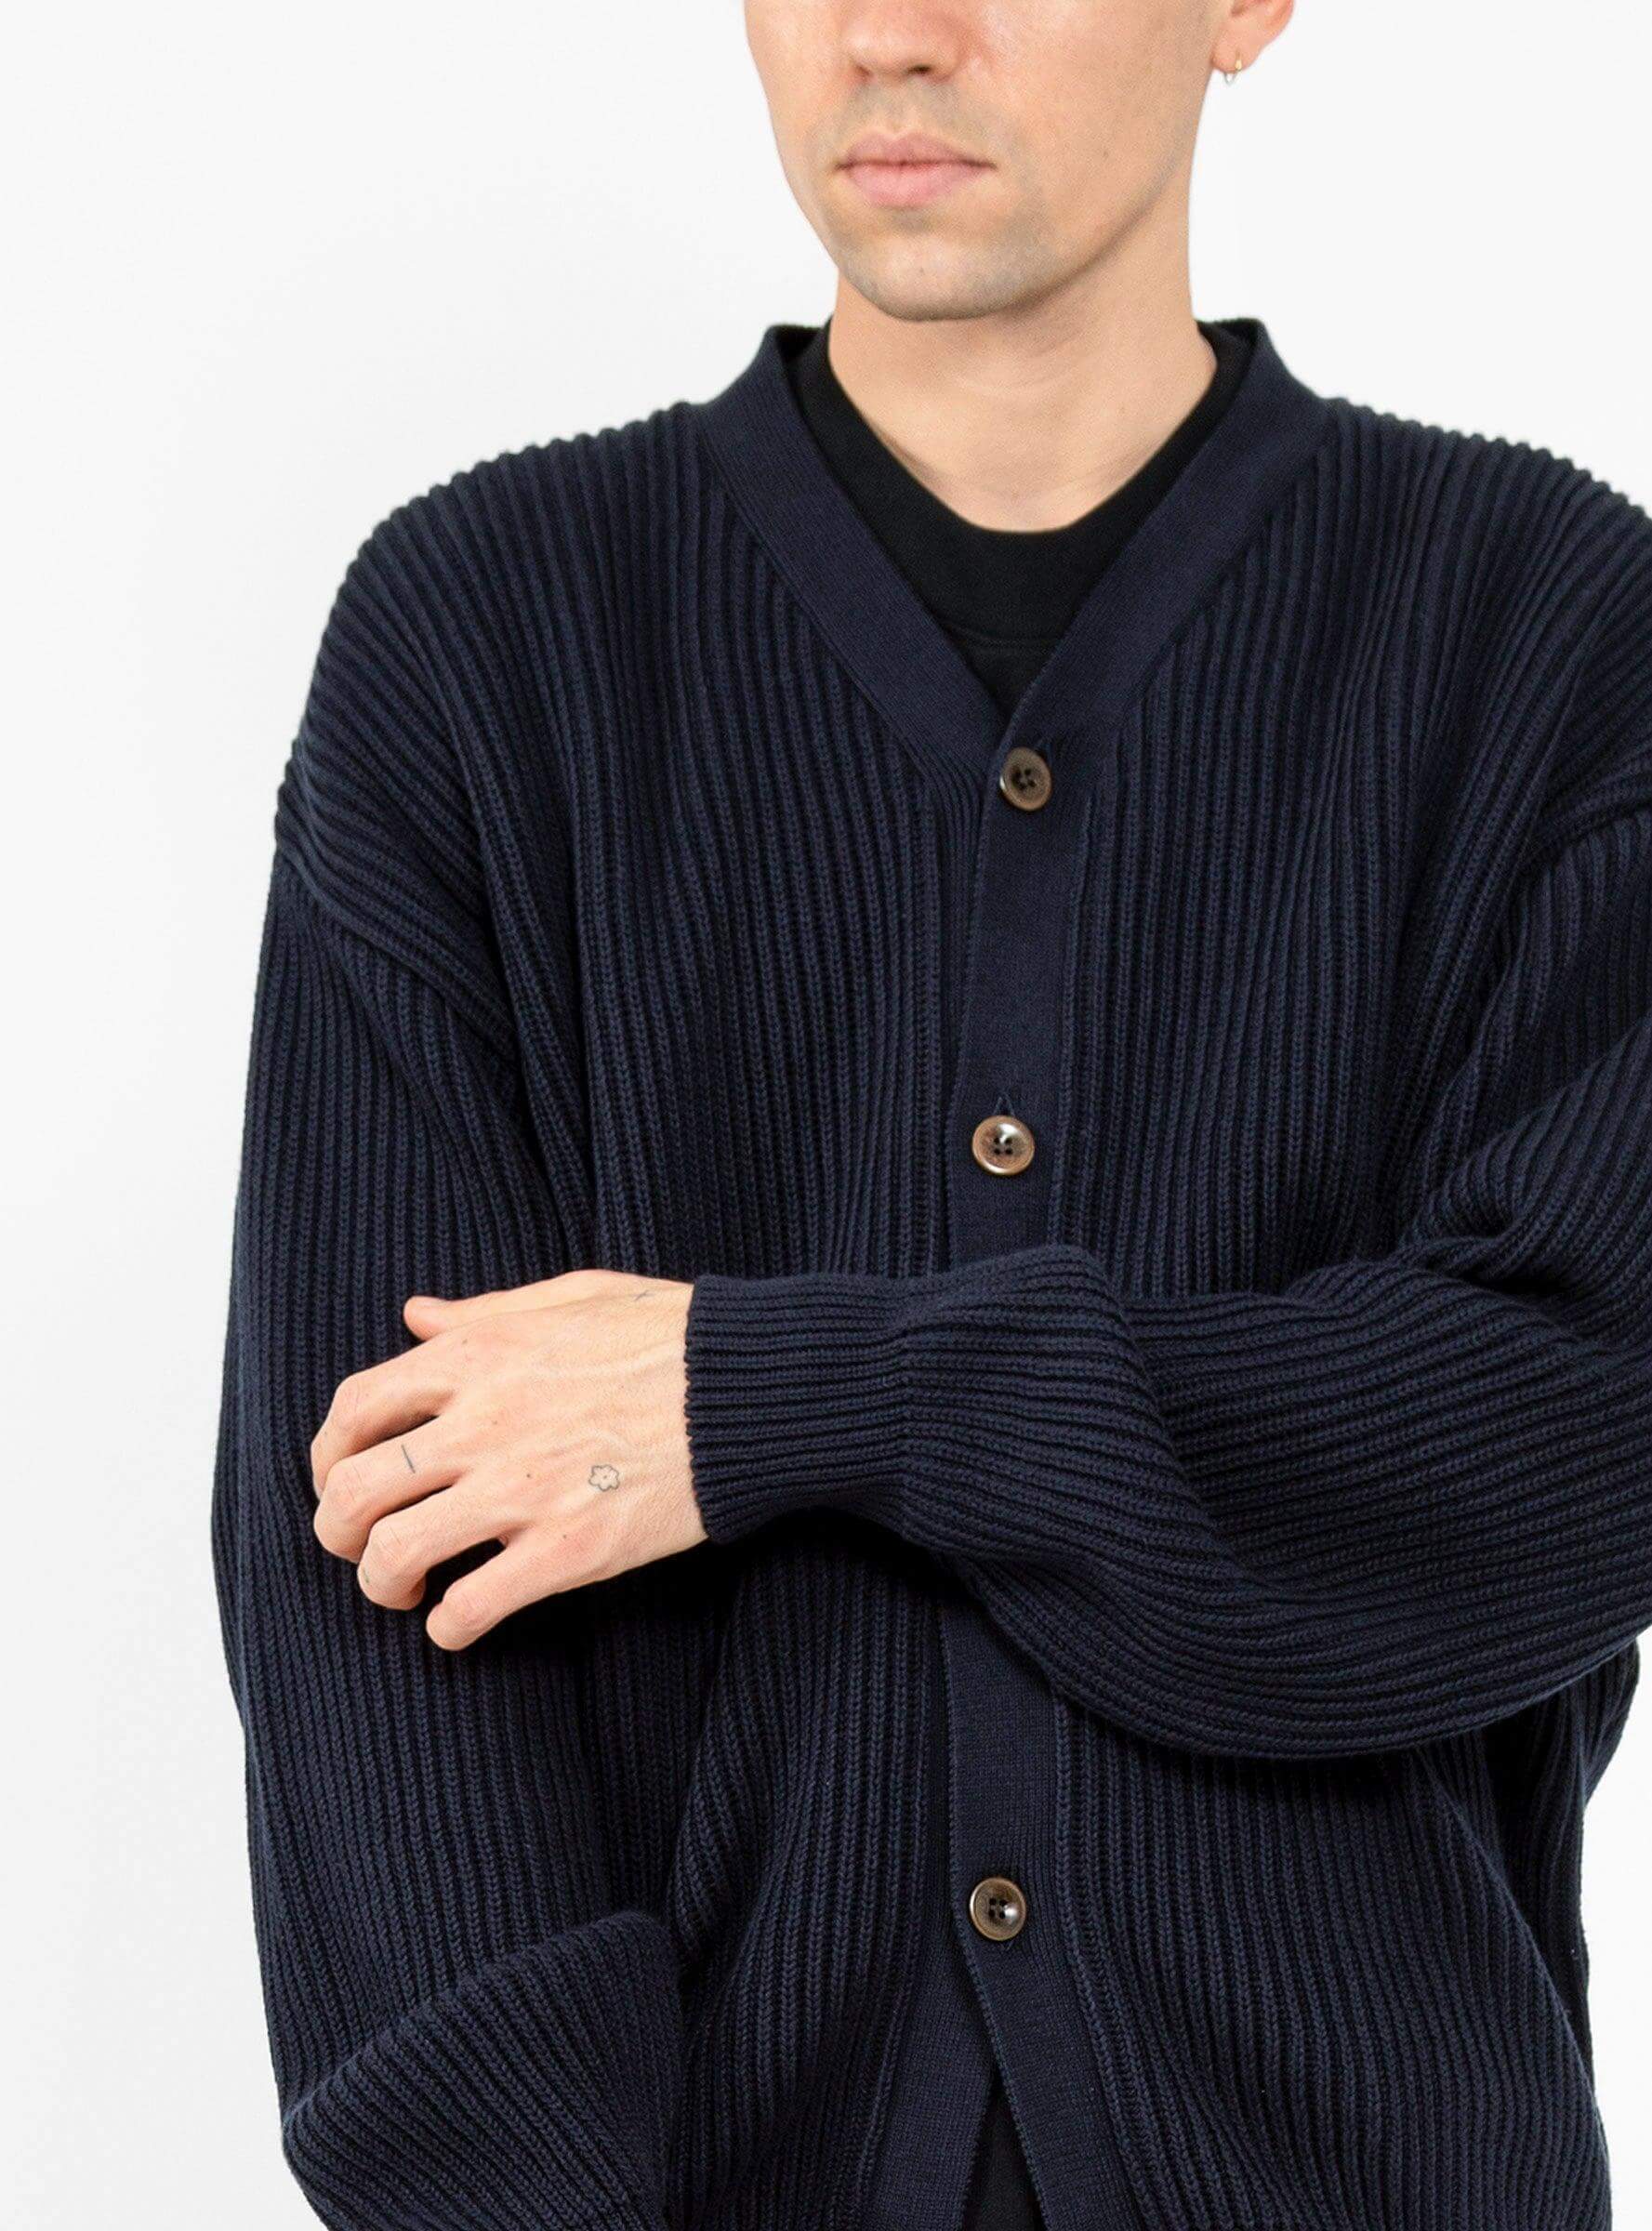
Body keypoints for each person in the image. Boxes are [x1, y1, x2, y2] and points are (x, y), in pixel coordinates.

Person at [209, 1, 1652, 2225]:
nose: (890, 33)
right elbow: (376, 1574)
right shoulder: (487, 640)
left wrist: (779, 1397)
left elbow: (1580, 1435)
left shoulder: (1542, 632)